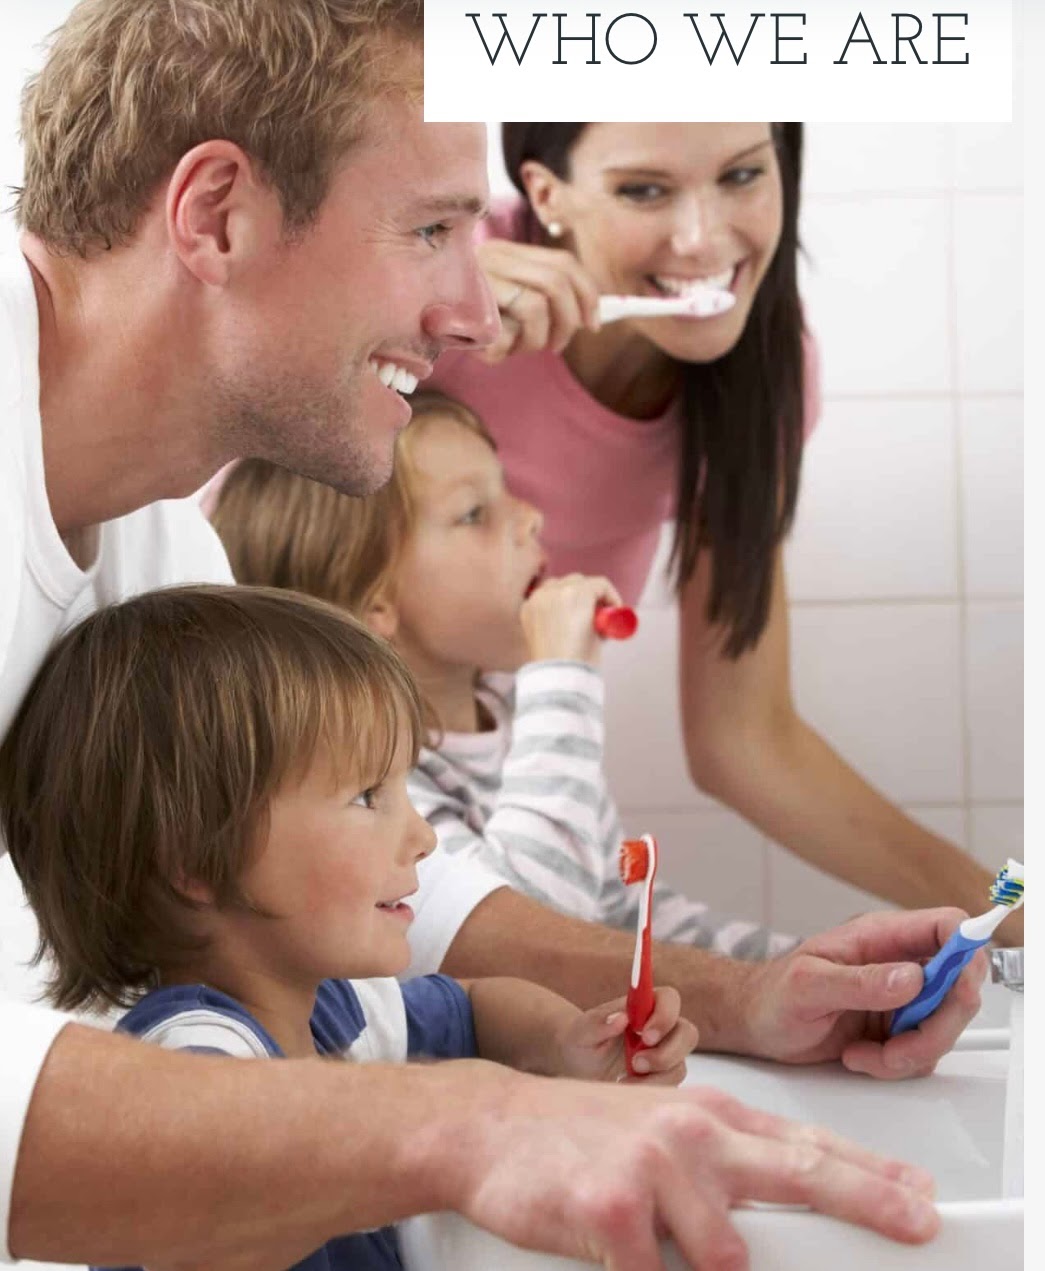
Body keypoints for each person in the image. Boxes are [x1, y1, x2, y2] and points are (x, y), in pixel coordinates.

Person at [0, 0, 978, 1264]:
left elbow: (401, 893)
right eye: (430, 231)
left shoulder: (165, 554)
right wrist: (464, 1126)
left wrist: (748, 995)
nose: (472, 317)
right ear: (218, 217)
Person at [425, 121, 1021, 945]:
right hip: (313, 742)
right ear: (544, 193)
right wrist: (400, 295)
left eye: (741, 175)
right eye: (644, 190)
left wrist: (1007, 916)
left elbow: (745, 739)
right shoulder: (443, 276)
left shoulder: (761, 369)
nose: (703, 239)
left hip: (502, 775)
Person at [0, 583, 701, 1270]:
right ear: (198, 858)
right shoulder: (198, 1057)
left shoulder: (333, 1008)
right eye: (368, 796)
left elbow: (473, 1007)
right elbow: (229, 1187)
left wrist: (566, 1042)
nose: (423, 837)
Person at [211, 391, 796, 963]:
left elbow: (620, 912)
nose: (529, 518)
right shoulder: (372, 776)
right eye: (474, 513)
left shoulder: (515, 714)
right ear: (376, 603)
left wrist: (789, 966)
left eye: (506, 490)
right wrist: (561, 676)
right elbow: (541, 938)